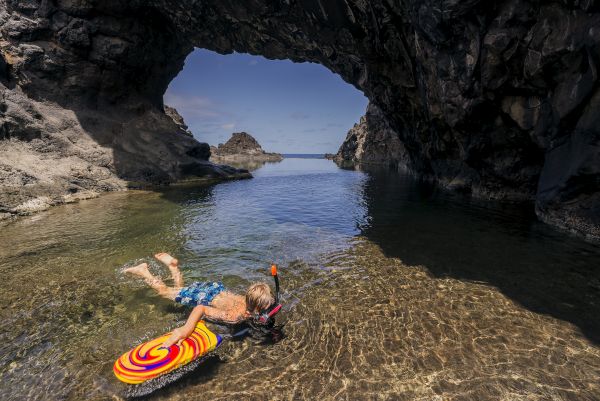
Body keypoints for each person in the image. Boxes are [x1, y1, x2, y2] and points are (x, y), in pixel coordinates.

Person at [124, 253, 276, 348]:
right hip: (203, 297)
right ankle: (144, 271)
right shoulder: (235, 316)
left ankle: (173, 267)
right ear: (256, 308)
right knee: (165, 292)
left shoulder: (247, 298)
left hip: (215, 288)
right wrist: (186, 329)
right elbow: (201, 309)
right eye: (266, 308)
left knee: (180, 292)